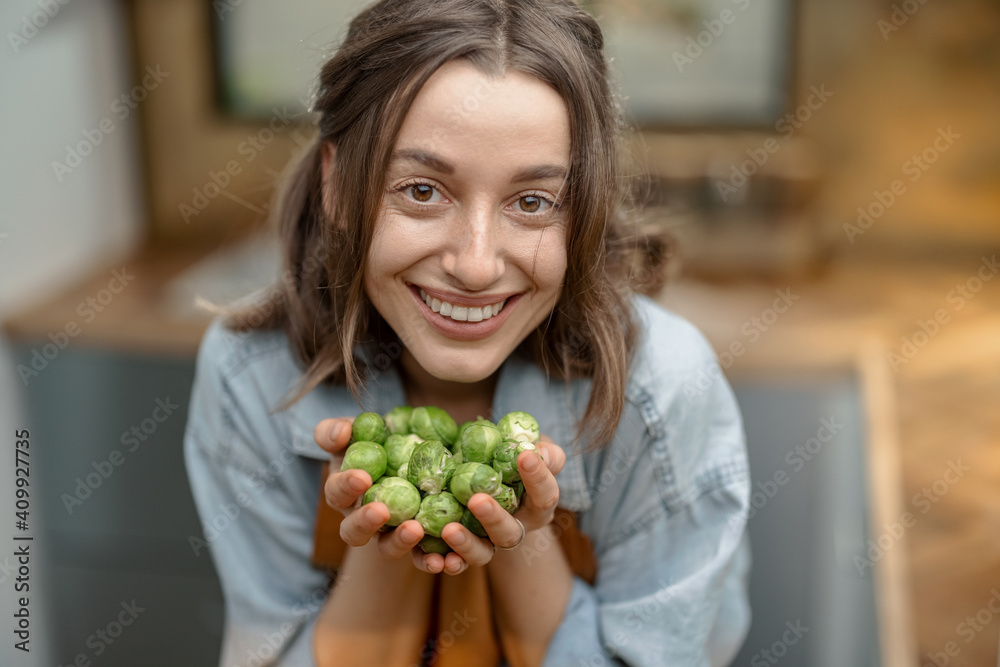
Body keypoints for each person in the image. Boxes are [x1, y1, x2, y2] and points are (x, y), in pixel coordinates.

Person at [183, 0, 752, 665]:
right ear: (338, 184)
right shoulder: (247, 374)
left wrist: (522, 537)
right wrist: (387, 533)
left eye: (533, 201)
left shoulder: (663, 389)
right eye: (423, 190)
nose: (477, 265)